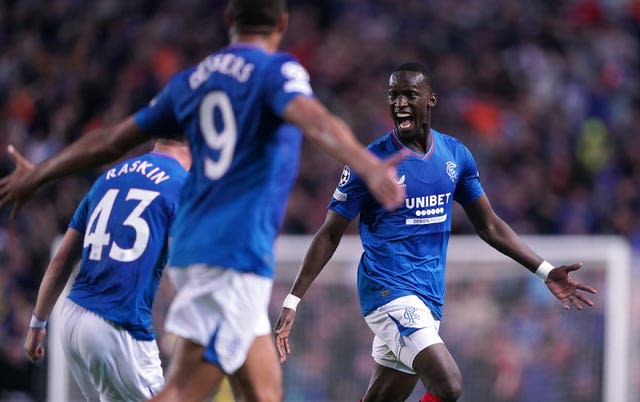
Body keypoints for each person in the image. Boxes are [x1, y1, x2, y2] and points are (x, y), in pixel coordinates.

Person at [0, 1, 406, 401]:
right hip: (232, 255)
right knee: (180, 392)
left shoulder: (190, 81)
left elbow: (108, 142)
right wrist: (367, 164)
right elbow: (316, 119)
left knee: (264, 392)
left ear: (229, 19)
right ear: (282, 23)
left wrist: (39, 173)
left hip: (204, 252)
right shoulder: (276, 70)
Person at [274, 62, 598, 402]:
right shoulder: (371, 161)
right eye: (393, 96)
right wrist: (293, 300)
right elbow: (329, 233)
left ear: (431, 100)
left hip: (429, 296)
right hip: (387, 292)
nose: (399, 103)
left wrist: (544, 271)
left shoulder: (454, 155)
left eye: (410, 95)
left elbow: (489, 225)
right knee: (448, 384)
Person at [22, 139, 191, 401]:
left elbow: (63, 258)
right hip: (117, 326)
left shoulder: (109, 177)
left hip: (72, 320)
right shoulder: (181, 185)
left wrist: (37, 323)